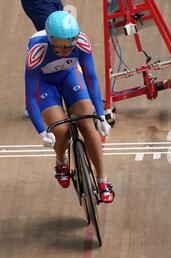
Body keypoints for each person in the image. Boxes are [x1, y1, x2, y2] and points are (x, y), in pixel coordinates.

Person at [25, 11, 115, 203]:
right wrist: (42, 131)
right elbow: (31, 97)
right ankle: (61, 160)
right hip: (45, 85)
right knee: (61, 130)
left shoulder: (82, 42)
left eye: (69, 44)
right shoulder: (37, 51)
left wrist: (100, 114)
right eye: (60, 46)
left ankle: (102, 181)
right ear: (50, 39)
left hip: (69, 77)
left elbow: (90, 78)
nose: (66, 49)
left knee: (89, 125)